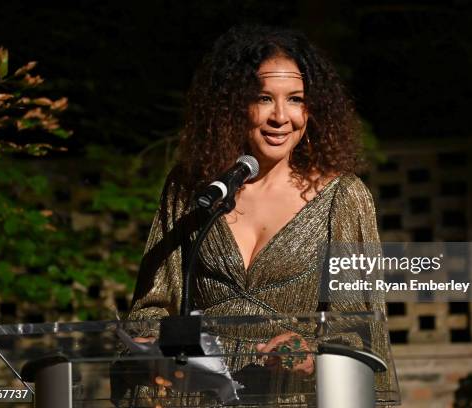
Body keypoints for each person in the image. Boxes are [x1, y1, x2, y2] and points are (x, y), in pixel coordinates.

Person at [127, 25, 398, 405]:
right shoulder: (192, 190)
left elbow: (358, 328)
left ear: (312, 109)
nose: (281, 116)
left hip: (292, 399)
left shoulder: (344, 197)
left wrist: (306, 353)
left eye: (296, 100)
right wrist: (150, 340)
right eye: (263, 98)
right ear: (233, 104)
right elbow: (151, 306)